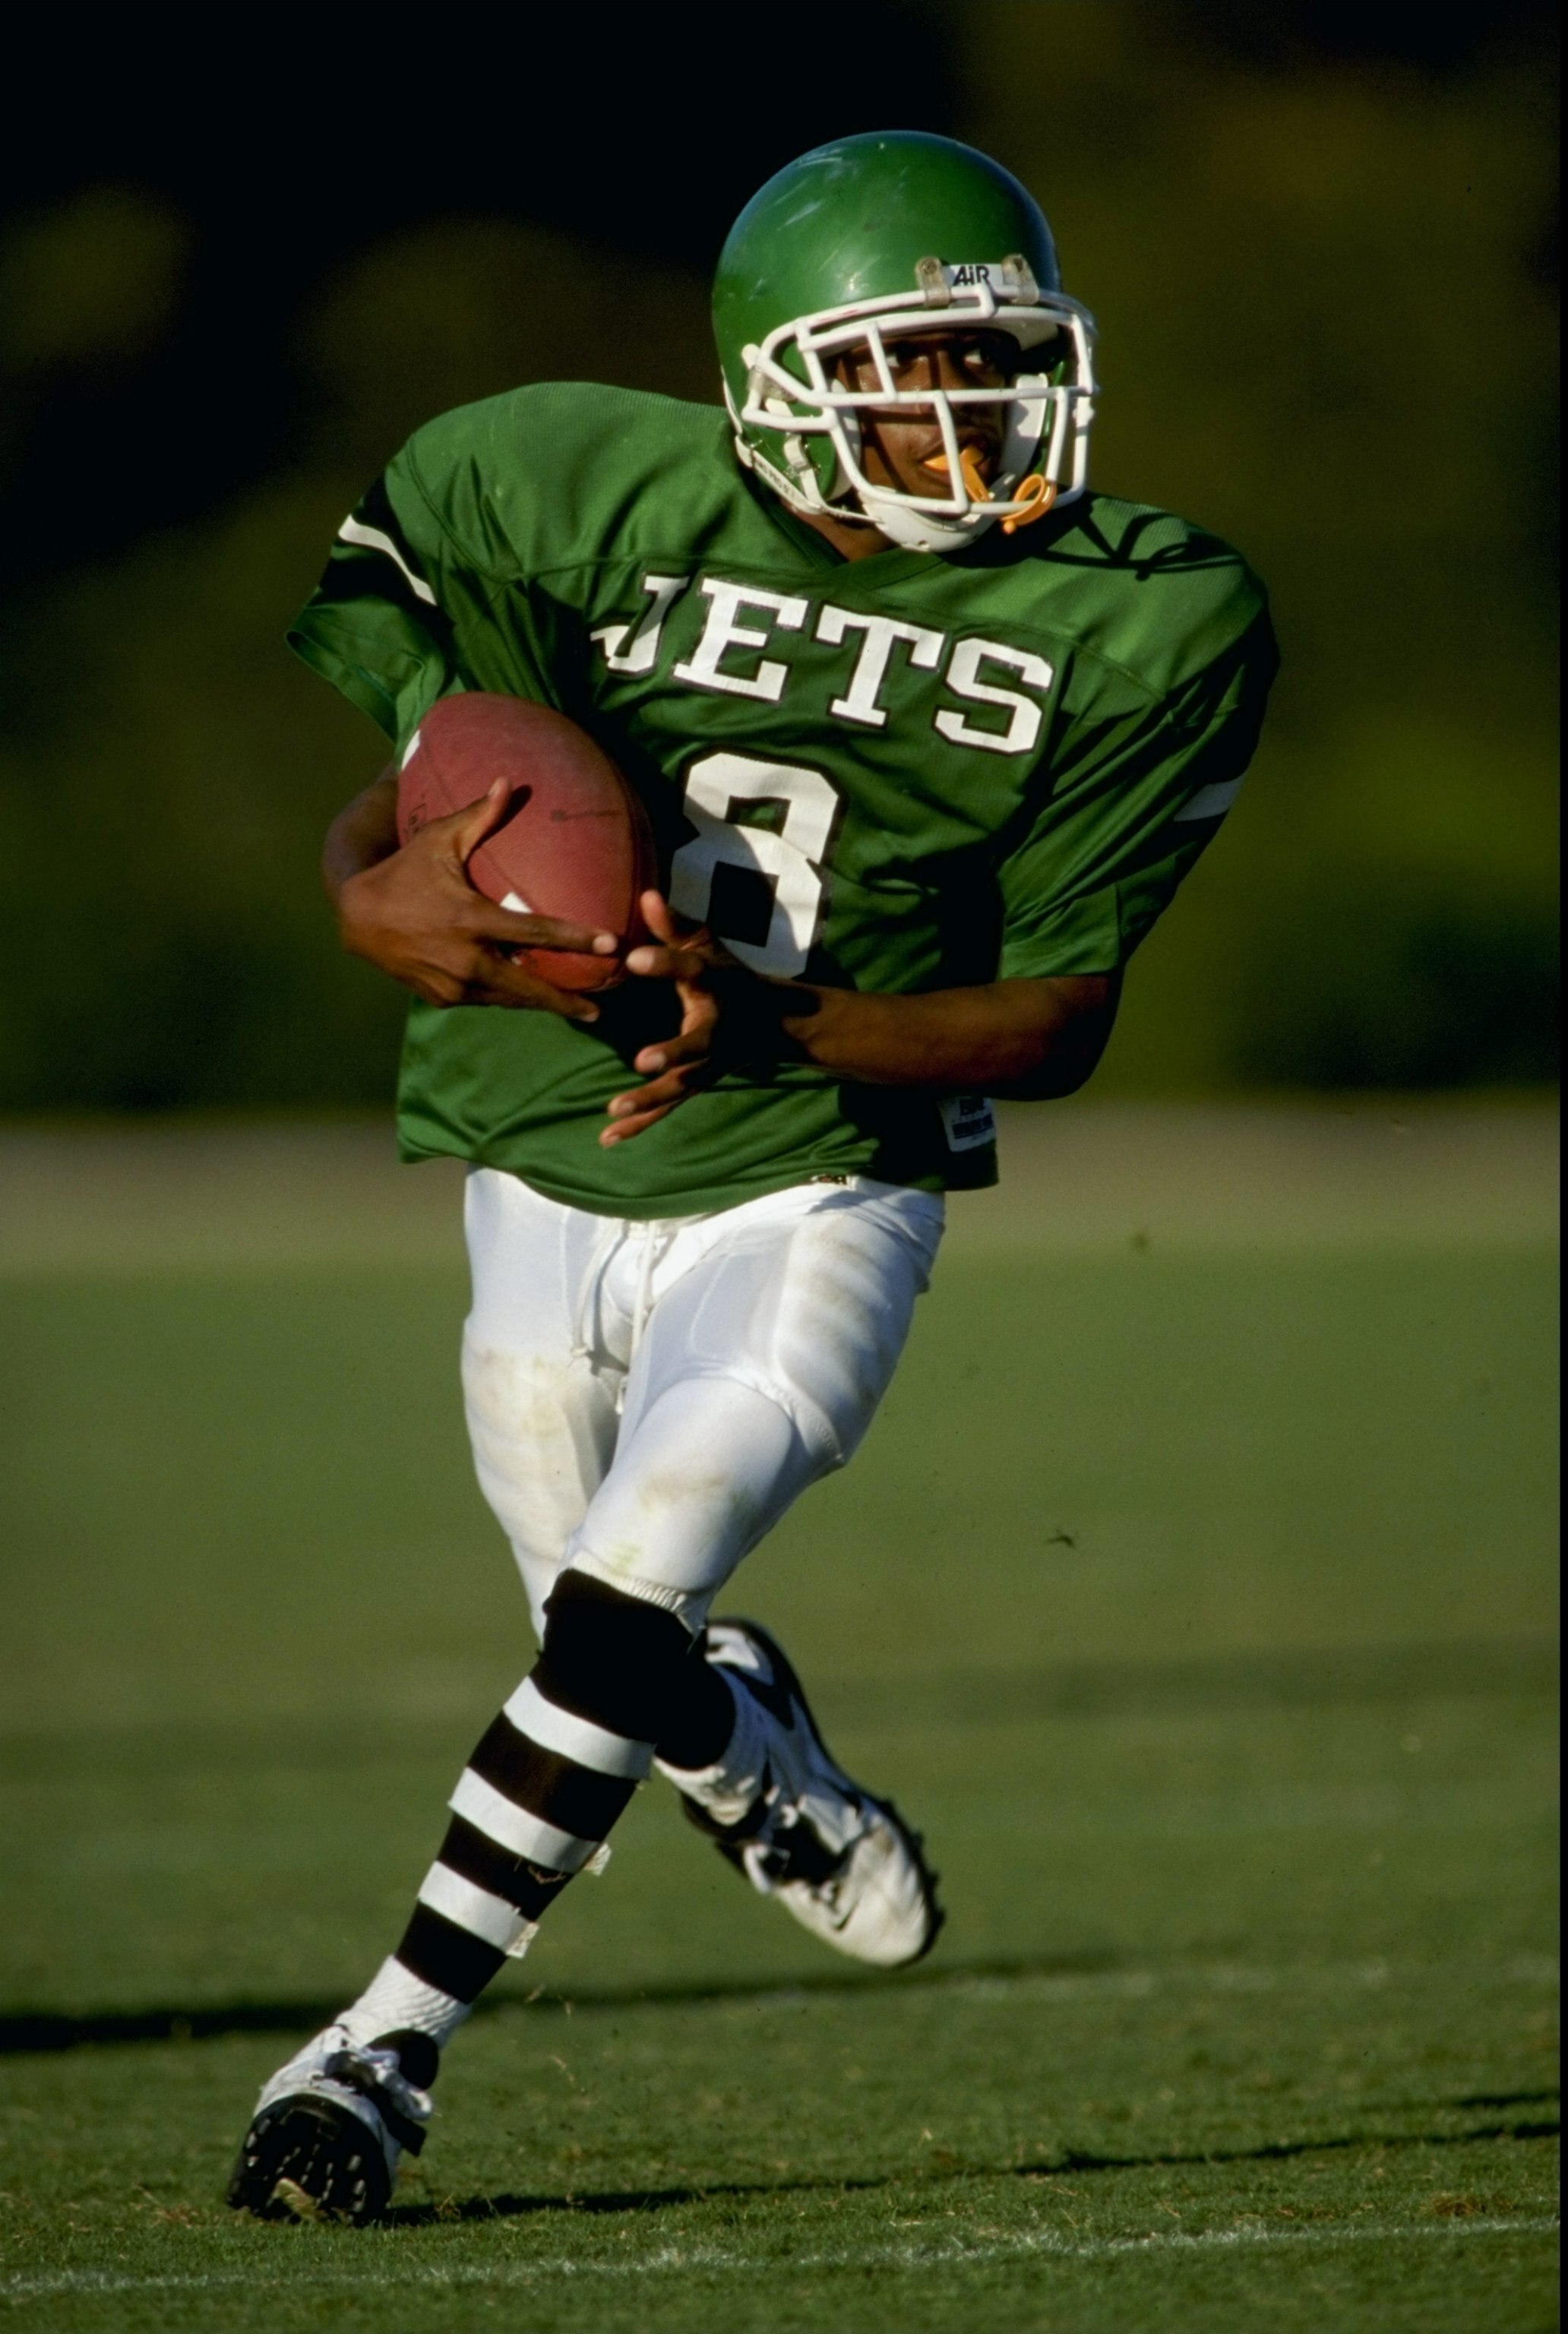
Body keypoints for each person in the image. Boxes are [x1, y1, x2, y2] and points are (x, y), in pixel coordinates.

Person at [227, 128, 1276, 2225]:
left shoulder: (1138, 614)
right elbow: (438, 785)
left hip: (820, 1172)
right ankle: (742, 1741)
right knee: (605, 1650)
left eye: (1001, 363)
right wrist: (360, 899)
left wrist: (775, 1025)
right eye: (918, 366)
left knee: (630, 1580)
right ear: (777, 376)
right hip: (544, 1161)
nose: (975, 413)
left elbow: (1059, 1015)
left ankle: (377, 2056)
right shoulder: (567, 492)